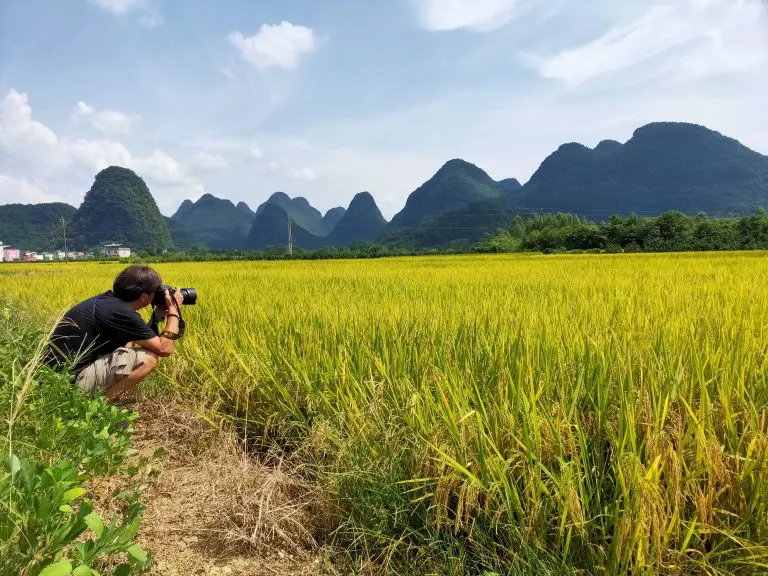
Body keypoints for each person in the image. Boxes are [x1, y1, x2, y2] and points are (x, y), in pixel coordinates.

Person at [45, 264, 186, 401]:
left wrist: (156, 318)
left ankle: (99, 398)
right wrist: (174, 311)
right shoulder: (121, 312)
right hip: (68, 382)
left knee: (129, 340)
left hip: (54, 377)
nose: (158, 296)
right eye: (156, 292)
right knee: (148, 359)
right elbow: (164, 349)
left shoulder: (109, 303)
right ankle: (100, 406)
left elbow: (143, 338)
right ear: (144, 296)